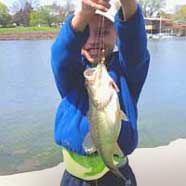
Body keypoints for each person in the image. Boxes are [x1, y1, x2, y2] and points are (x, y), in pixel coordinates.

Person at [51, 0, 150, 185]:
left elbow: (135, 47)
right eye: (85, 33)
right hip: (75, 179)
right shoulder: (72, 73)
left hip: (117, 175)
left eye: (104, 32)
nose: (94, 40)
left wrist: (128, 5)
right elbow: (61, 55)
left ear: (118, 35)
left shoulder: (127, 71)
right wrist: (82, 16)